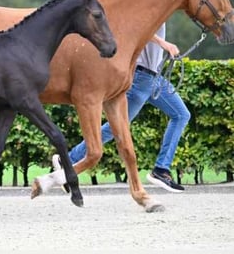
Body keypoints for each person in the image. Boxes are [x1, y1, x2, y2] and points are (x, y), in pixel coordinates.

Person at [53, 22, 190, 193]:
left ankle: (161, 170)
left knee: (181, 115)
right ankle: (69, 160)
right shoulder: (147, 6)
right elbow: (139, 28)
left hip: (156, 78)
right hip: (141, 77)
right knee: (116, 127)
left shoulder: (164, 8)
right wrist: (164, 43)